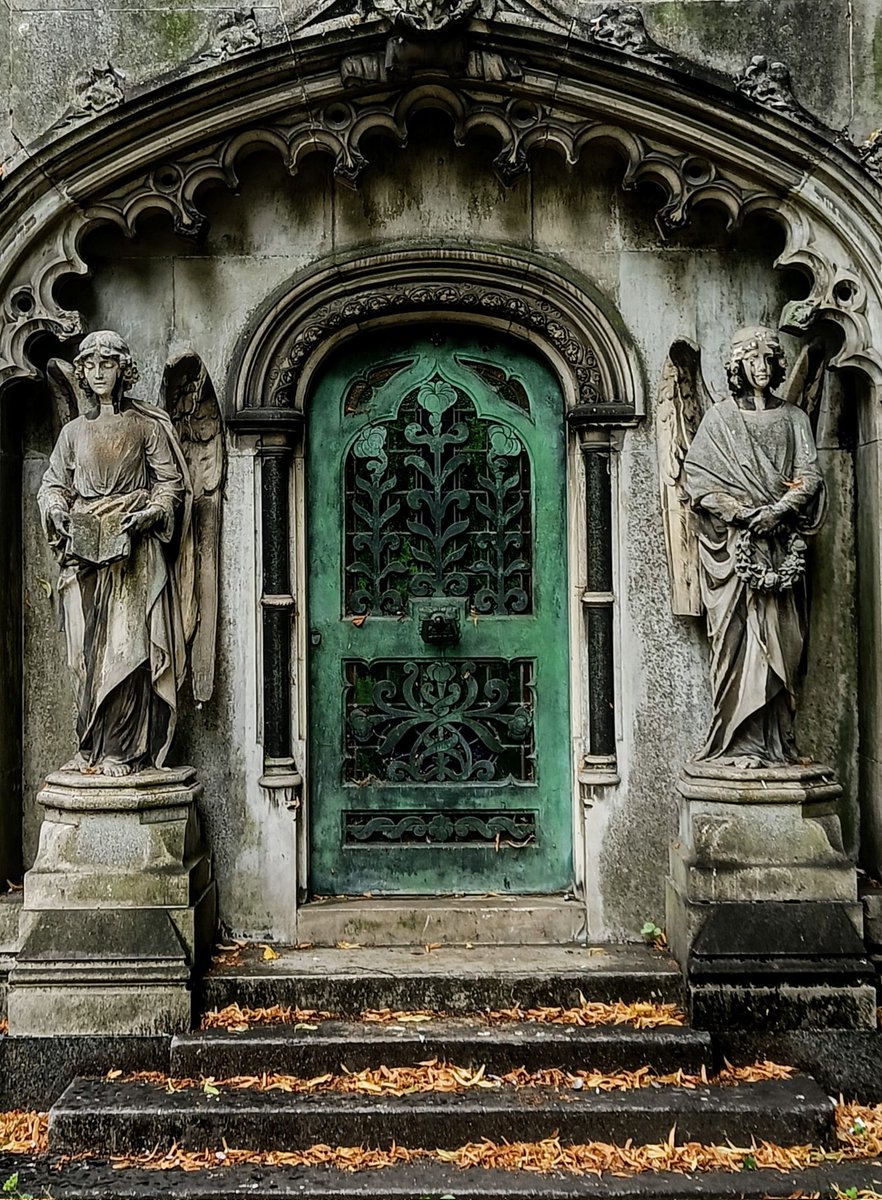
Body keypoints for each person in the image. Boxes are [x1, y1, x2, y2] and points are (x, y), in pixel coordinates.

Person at [37, 331, 192, 776]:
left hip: (133, 552)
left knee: (128, 651)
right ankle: (88, 745)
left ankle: (122, 751)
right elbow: (52, 485)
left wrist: (149, 515)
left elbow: (171, 485)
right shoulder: (73, 432)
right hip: (84, 552)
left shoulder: (144, 426)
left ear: (122, 370)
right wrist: (58, 511)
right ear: (82, 373)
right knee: (84, 657)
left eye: (108, 363)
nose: (99, 371)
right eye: (91, 365)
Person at [683, 326, 826, 767]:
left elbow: (811, 474)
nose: (761, 369)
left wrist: (780, 511)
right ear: (738, 367)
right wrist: (746, 514)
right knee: (736, 647)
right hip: (735, 551)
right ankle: (737, 744)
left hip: (782, 546)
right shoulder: (721, 419)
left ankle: (777, 745)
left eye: (768, 361)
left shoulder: (793, 418)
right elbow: (698, 482)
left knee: (785, 647)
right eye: (752, 361)